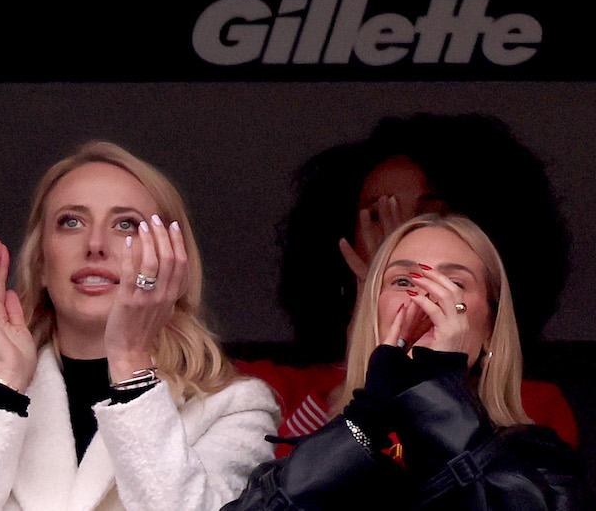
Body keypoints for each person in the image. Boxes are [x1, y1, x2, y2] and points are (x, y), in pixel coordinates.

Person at [0, 141, 278, 510]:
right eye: (71, 222)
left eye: (125, 224)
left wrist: (131, 365)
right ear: (40, 264)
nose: (95, 244)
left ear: (172, 260)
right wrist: (6, 387)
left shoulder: (234, 407)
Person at [240, 113, 577, 453]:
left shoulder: (533, 409)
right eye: (376, 215)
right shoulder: (275, 389)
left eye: (433, 213)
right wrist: (366, 377)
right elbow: (296, 488)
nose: (405, 232)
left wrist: (443, 386)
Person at [225, 215, 593, 510]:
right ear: (372, 317)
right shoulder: (350, 443)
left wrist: (440, 392)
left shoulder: (538, 460)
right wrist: (367, 420)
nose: (426, 297)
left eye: (453, 284)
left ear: (490, 332)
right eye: (404, 279)